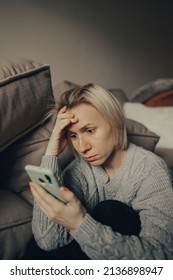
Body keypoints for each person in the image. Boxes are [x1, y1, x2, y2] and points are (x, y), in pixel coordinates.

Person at [29, 83, 173, 260]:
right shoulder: (78, 171)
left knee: (111, 210)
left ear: (115, 122)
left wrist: (80, 224)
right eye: (73, 136)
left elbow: (163, 258)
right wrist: (52, 152)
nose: (82, 147)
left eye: (89, 130)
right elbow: (47, 242)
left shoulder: (150, 169)